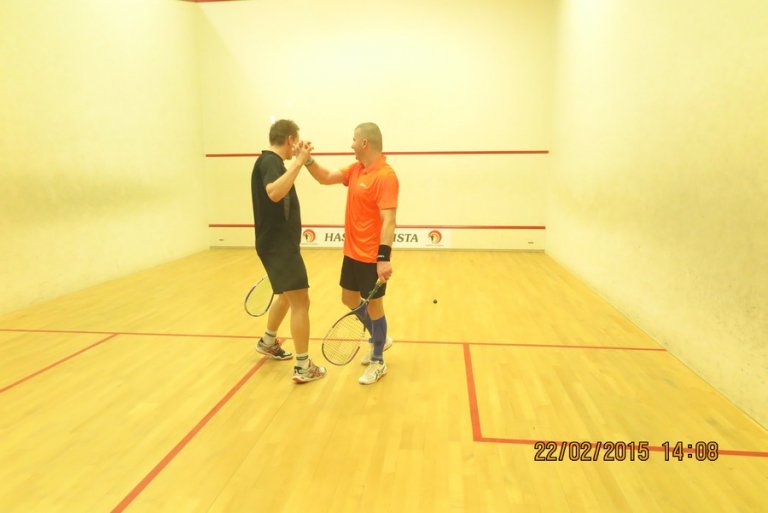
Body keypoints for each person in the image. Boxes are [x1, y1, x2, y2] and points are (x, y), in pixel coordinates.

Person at [304, 122, 398, 385]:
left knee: (375, 306)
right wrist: (307, 160)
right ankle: (380, 338)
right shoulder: (356, 169)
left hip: (371, 257)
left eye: (354, 139)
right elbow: (325, 177)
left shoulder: (386, 176)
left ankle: (378, 360)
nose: (351, 144)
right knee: (349, 298)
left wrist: (383, 258)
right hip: (352, 253)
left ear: (365, 143)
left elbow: (389, 220)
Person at [250, 119, 326, 384]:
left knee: (285, 295)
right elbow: (273, 192)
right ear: (291, 139)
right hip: (278, 246)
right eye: (297, 140)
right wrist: (299, 162)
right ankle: (303, 366)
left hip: (277, 245)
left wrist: (299, 162)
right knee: (301, 301)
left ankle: (268, 341)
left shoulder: (271, 163)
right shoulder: (270, 161)